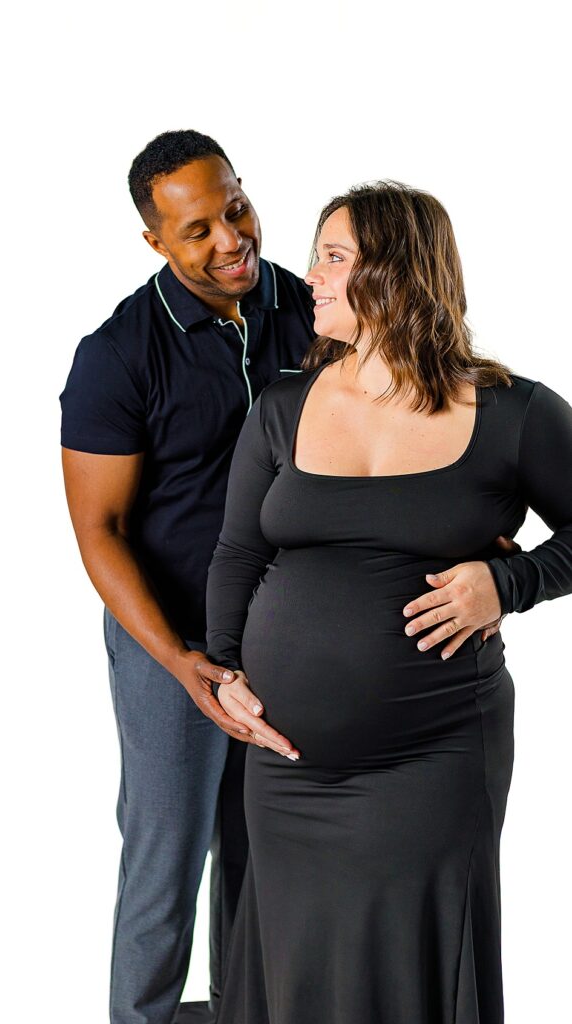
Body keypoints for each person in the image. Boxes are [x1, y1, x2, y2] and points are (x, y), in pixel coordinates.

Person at [205, 181, 572, 1024]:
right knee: (293, 968)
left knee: (412, 968)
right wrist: (225, 670)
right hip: (289, 764)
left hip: (432, 758)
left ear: (397, 273)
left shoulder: (512, 412)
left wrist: (508, 583)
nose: (310, 275)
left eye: (333, 258)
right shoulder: (283, 408)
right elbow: (237, 552)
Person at [59, 130, 316, 1024]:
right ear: (156, 241)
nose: (230, 240)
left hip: (286, 628)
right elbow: (98, 530)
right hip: (172, 637)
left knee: (260, 849)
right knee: (166, 854)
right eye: (197, 230)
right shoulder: (118, 353)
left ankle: (243, 1010)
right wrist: (178, 662)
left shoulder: (313, 309)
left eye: (235, 209)